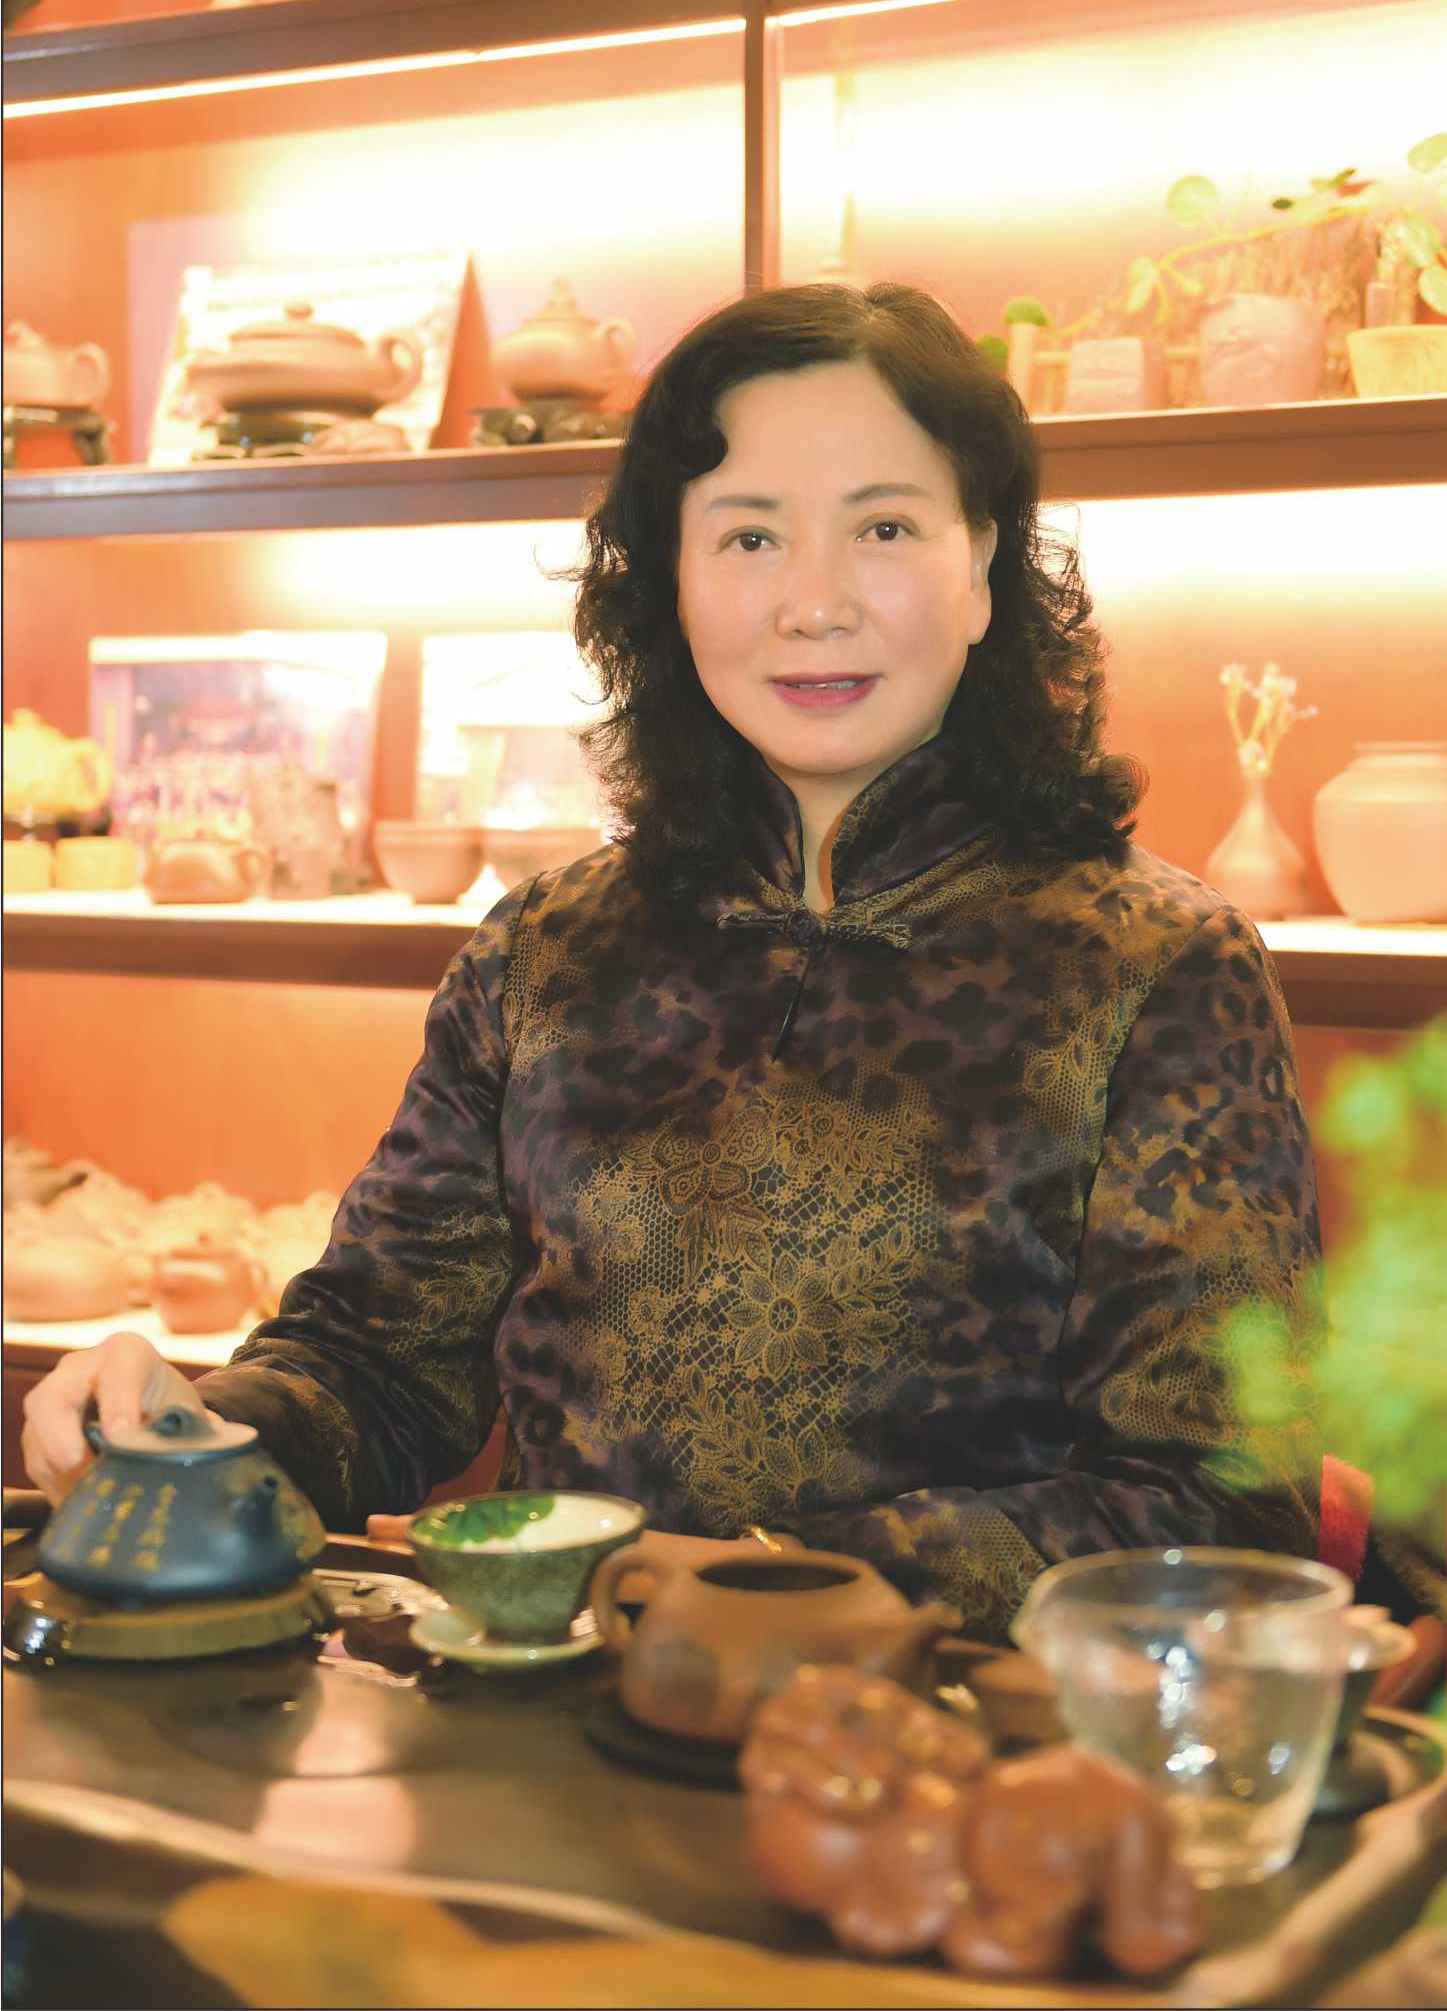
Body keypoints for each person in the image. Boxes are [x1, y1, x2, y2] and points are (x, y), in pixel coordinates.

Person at [22, 282, 1322, 1638]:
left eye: (883, 528)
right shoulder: (546, 951)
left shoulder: (1155, 965)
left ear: (984, 566)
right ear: (671, 580)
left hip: (943, 1744)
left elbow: (1219, 1502)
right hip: (550, 1722)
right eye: (750, 536)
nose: (813, 605)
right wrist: (194, 1424)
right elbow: (376, 1362)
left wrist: (763, 1583)